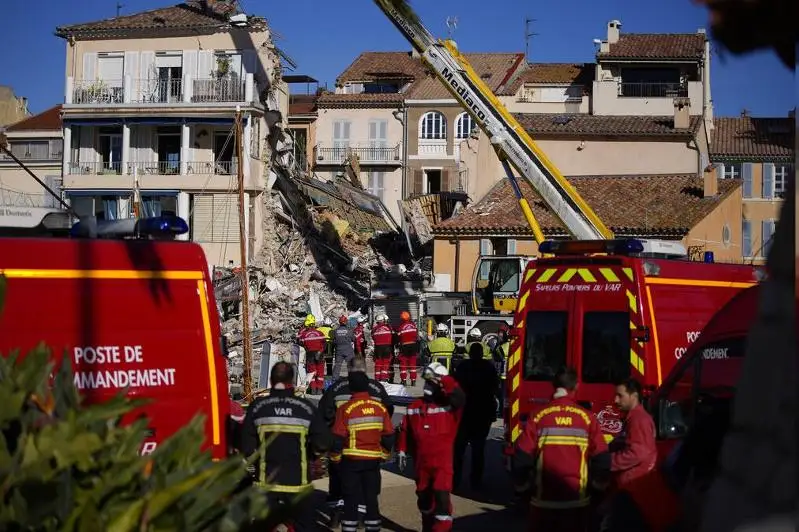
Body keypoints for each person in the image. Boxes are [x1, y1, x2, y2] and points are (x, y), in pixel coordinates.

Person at [513, 367, 611, 532]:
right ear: (576, 387)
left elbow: (522, 457)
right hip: (577, 502)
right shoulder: (587, 418)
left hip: (543, 502)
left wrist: (523, 490)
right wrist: (597, 491)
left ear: (553, 386)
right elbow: (602, 458)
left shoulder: (537, 416)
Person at [241, 362, 330, 531]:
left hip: (266, 482)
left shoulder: (257, 407)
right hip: (298, 482)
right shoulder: (306, 407)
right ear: (292, 380)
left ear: (270, 380)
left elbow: (246, 447)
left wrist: (258, 462)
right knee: (305, 526)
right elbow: (323, 442)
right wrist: (311, 456)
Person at [319, 357, 394, 525]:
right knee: (365, 484)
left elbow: (324, 412)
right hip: (368, 446)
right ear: (365, 368)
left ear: (348, 368)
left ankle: (336, 515)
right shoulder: (376, 387)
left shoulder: (336, 387)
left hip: (340, 443)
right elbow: (387, 411)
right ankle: (361, 518)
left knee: (337, 480)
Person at [397, 362, 466, 531]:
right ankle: (427, 527)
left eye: (431, 382)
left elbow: (459, 396)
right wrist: (401, 450)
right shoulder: (414, 407)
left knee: (442, 500)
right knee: (424, 500)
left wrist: (443, 379)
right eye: (426, 382)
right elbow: (405, 430)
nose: (427, 386)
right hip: (422, 465)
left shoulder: (450, 407)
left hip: (442, 465)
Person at [452, 342, 500, 490]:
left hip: (464, 414)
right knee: (478, 449)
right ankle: (476, 480)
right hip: (482, 413)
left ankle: (455, 480)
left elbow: (454, 387)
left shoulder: (462, 367)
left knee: (458, 450)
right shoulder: (489, 367)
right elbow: (495, 388)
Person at [610, 378, 657, 490]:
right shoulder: (634, 418)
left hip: (634, 486)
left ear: (634, 396)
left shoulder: (639, 420)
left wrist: (608, 461)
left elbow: (637, 453)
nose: (615, 400)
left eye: (620, 396)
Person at [297, 314, 327, 395]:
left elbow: (300, 343)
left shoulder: (304, 334)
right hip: (320, 355)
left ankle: (313, 390)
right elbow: (325, 345)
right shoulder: (320, 333)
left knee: (311, 373)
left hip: (310, 356)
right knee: (320, 373)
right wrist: (320, 351)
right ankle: (319, 390)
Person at [491, 323, 511, 417]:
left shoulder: (502, 347)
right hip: (511, 375)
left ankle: (502, 412)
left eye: (501, 333)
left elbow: (495, 354)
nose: (499, 335)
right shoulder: (512, 344)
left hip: (504, 375)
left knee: (502, 395)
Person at [396, 311, 420, 386]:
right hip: (413, 346)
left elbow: (398, 337)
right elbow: (416, 336)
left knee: (403, 364)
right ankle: (413, 381)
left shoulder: (401, 327)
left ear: (402, 318)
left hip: (404, 347)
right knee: (412, 365)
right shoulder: (413, 325)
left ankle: (404, 381)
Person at [371, 314, 394, 382]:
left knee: (378, 363)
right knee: (386, 363)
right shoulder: (388, 327)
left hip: (378, 348)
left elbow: (372, 337)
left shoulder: (374, 329)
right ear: (383, 320)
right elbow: (392, 335)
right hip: (387, 347)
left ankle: (377, 378)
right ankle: (383, 378)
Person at [332, 315, 355, 381]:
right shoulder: (349, 330)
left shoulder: (335, 331)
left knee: (337, 365)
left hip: (339, 350)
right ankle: (352, 378)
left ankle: (334, 379)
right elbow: (353, 339)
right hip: (348, 350)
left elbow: (334, 341)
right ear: (346, 322)